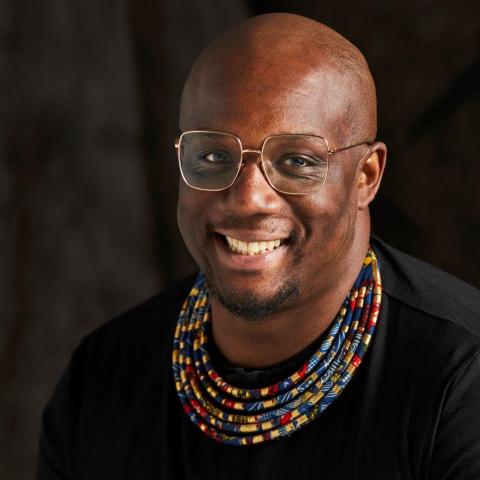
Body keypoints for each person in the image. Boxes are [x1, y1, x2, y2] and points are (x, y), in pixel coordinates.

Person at [36, 13, 480, 479]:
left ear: (365, 177)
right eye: (212, 156)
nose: (249, 198)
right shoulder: (103, 377)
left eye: (296, 160)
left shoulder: (460, 381)